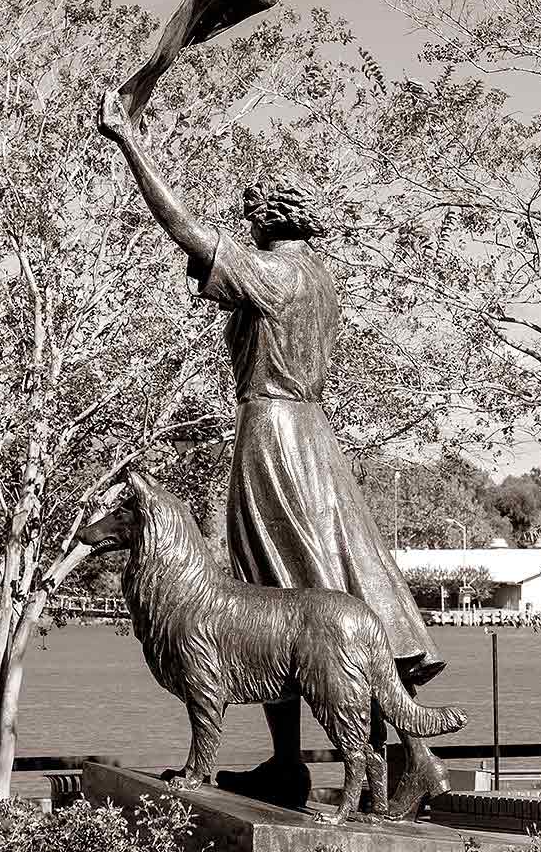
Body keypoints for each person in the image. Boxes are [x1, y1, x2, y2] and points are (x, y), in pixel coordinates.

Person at [96, 92, 451, 815]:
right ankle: (292, 766)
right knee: (296, 586)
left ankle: (414, 761)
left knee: (295, 587)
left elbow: (186, 232)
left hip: (276, 438)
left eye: (252, 217)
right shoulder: (318, 276)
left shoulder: (278, 274)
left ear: (267, 220)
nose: (246, 227)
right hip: (310, 436)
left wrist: (130, 144)